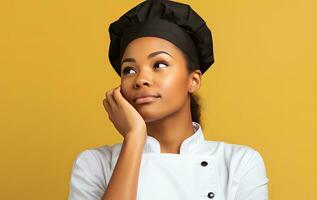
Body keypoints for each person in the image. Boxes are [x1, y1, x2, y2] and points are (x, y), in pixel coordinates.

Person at [68, 0, 269, 200]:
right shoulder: (94, 164)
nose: (141, 79)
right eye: (129, 70)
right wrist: (135, 137)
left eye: (159, 65)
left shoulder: (239, 164)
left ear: (193, 80)